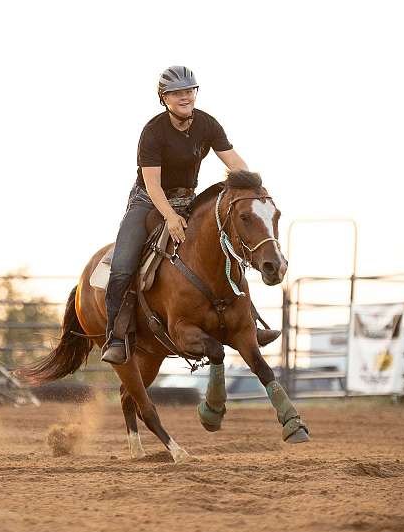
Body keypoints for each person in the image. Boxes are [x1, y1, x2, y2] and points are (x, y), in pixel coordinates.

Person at [101, 65, 279, 365]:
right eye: (176, 93)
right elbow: (153, 185)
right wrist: (170, 217)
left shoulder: (207, 125)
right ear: (164, 98)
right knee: (121, 265)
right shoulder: (153, 132)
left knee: (228, 243)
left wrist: (254, 191)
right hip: (148, 201)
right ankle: (116, 336)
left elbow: (235, 162)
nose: (184, 97)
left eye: (189, 91)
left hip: (187, 199)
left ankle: (248, 321)